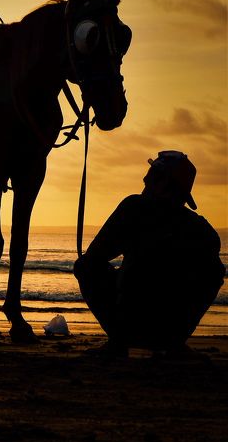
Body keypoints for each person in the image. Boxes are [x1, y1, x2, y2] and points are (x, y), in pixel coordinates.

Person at [74, 151, 225, 357]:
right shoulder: (200, 228)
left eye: (150, 179)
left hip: (128, 324)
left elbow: (94, 257)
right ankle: (175, 343)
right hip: (168, 328)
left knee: (85, 265)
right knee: (214, 269)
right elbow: (212, 251)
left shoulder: (134, 208)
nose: (144, 183)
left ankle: (118, 342)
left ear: (162, 185)